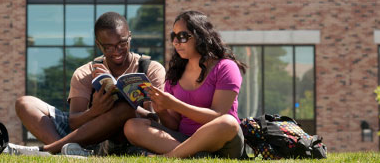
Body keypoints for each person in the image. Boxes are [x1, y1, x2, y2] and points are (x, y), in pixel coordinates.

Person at [14, 12, 166, 155]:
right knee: (25, 103)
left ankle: (50, 150)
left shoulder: (150, 69)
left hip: (129, 137)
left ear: (130, 37)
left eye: (122, 43)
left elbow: (158, 119)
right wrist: (95, 111)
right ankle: (66, 152)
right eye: (108, 47)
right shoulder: (86, 72)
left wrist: (131, 106)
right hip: (90, 140)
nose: (117, 51)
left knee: (125, 108)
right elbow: (73, 123)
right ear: (98, 44)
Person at [123, 10, 247, 158]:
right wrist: (162, 109)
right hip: (183, 138)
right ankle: (193, 155)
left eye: (182, 36)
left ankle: (168, 157)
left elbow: (217, 115)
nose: (175, 42)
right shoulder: (175, 73)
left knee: (228, 122)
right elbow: (173, 125)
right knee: (132, 126)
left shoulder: (225, 67)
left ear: (200, 36)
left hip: (222, 141)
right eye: (173, 36)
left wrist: (174, 104)